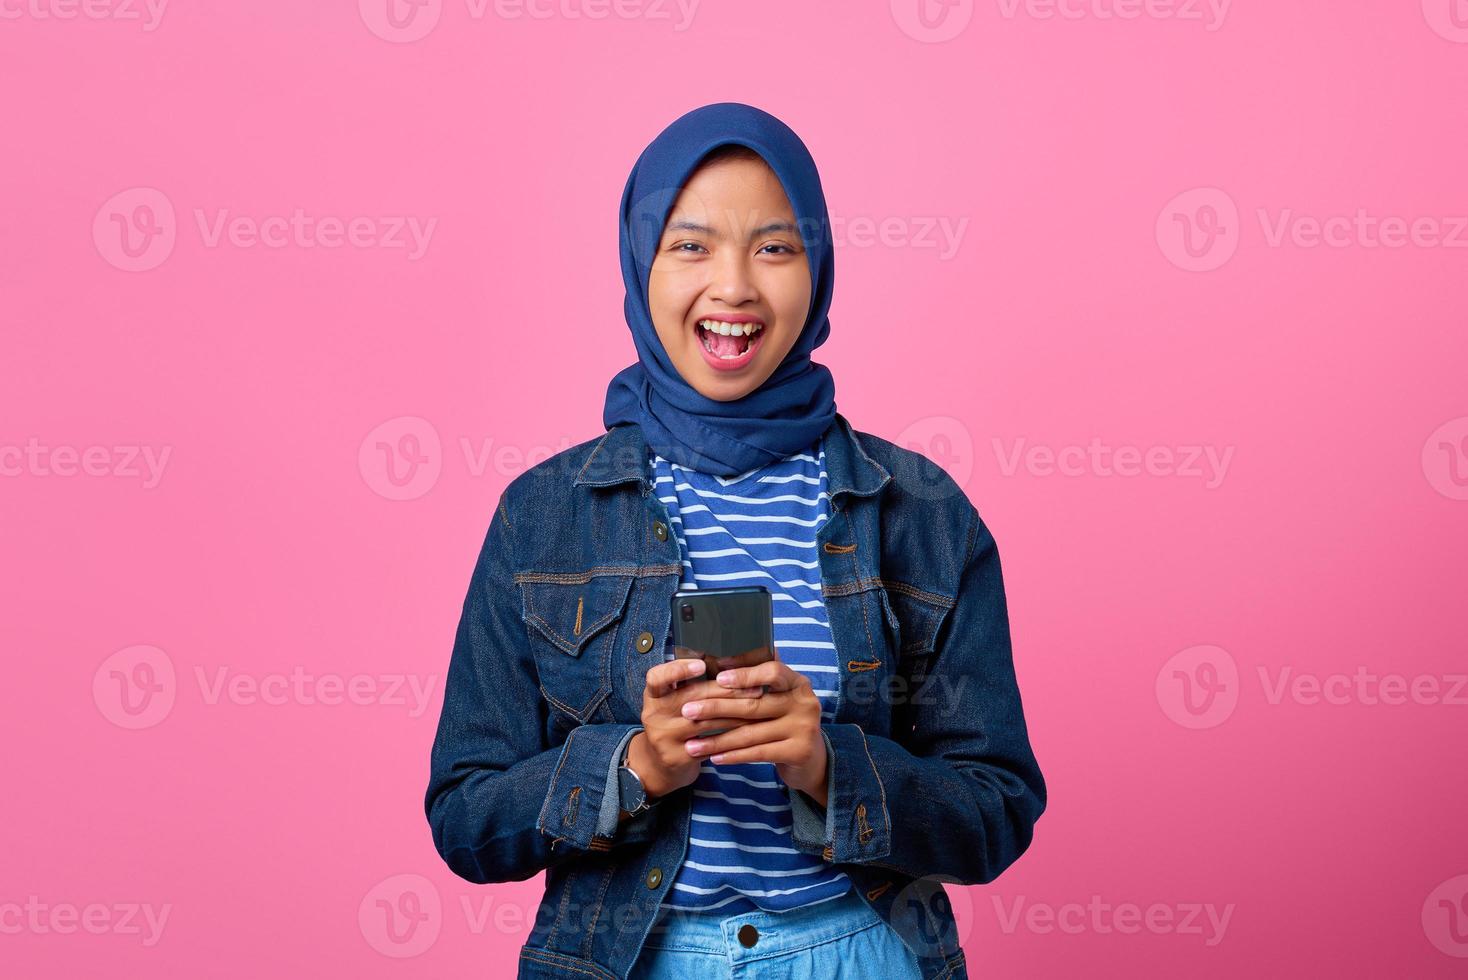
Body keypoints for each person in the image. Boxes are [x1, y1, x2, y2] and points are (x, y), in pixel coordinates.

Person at [425, 101, 1047, 980]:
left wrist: (829, 764)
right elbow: (464, 817)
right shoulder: (541, 516)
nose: (735, 287)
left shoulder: (923, 512)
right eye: (690, 245)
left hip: (857, 953)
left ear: (818, 267)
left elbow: (997, 811)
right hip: (626, 962)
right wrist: (633, 766)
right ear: (640, 265)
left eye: (774, 246)